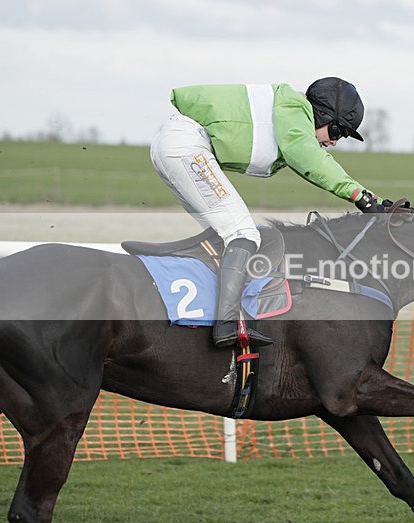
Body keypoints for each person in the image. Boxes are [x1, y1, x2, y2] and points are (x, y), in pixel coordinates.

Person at [150, 77, 389, 348]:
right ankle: (227, 324)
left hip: (175, 145)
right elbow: (311, 159)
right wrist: (364, 198)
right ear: (321, 114)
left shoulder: (291, 117)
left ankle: (207, 308)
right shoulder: (295, 111)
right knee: (242, 233)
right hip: (185, 146)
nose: (334, 142)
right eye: (336, 132)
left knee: (225, 234)